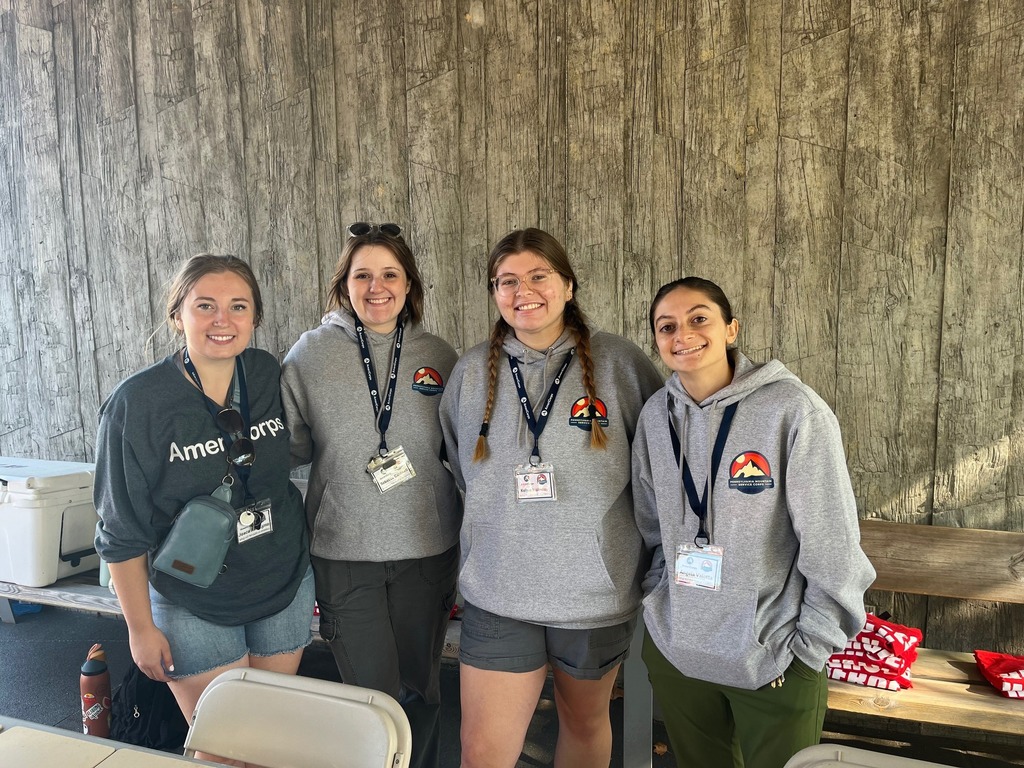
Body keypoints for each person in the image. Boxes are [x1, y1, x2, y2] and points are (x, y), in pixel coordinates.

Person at [438, 228, 663, 768]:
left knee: (583, 725)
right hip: (499, 591)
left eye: (538, 276)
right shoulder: (471, 371)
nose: (524, 291)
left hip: (592, 597)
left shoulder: (620, 364)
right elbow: (462, 469)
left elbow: (657, 470)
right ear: (495, 292)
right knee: (481, 752)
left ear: (568, 285)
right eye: (507, 281)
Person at [631, 276, 875, 768]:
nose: (683, 334)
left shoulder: (792, 410)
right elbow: (651, 524)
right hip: (680, 651)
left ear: (731, 329)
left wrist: (810, 647)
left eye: (699, 319)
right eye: (667, 326)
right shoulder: (657, 415)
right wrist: (660, 604)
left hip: (774, 654)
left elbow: (831, 542)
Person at [94, 254, 314, 766]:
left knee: (270, 742)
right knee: (223, 750)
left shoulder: (265, 373)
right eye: (205, 306)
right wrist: (139, 628)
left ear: (255, 316)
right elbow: (120, 531)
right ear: (178, 316)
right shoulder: (137, 403)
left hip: (281, 583)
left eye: (238, 306)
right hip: (194, 598)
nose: (223, 320)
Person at [280, 222, 461, 768]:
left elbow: (460, 448)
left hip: (427, 551)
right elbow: (290, 447)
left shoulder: (439, 355)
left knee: (421, 692)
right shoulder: (309, 355)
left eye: (390, 275)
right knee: (370, 703)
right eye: (363, 276)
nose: (376, 287)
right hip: (345, 554)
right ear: (344, 285)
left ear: (409, 285)